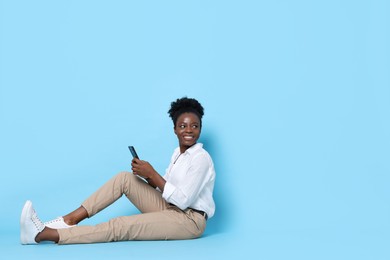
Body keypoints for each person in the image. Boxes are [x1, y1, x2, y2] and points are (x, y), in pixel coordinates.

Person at [20, 97, 216, 245]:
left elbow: (183, 200)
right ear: (174, 129)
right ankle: (69, 220)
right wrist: (148, 177)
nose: (189, 130)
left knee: (122, 225)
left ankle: (44, 234)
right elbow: (167, 190)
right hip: (170, 208)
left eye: (194, 126)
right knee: (125, 178)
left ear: (200, 129)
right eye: (183, 126)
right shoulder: (178, 154)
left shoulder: (201, 158)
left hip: (189, 220)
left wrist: (153, 174)